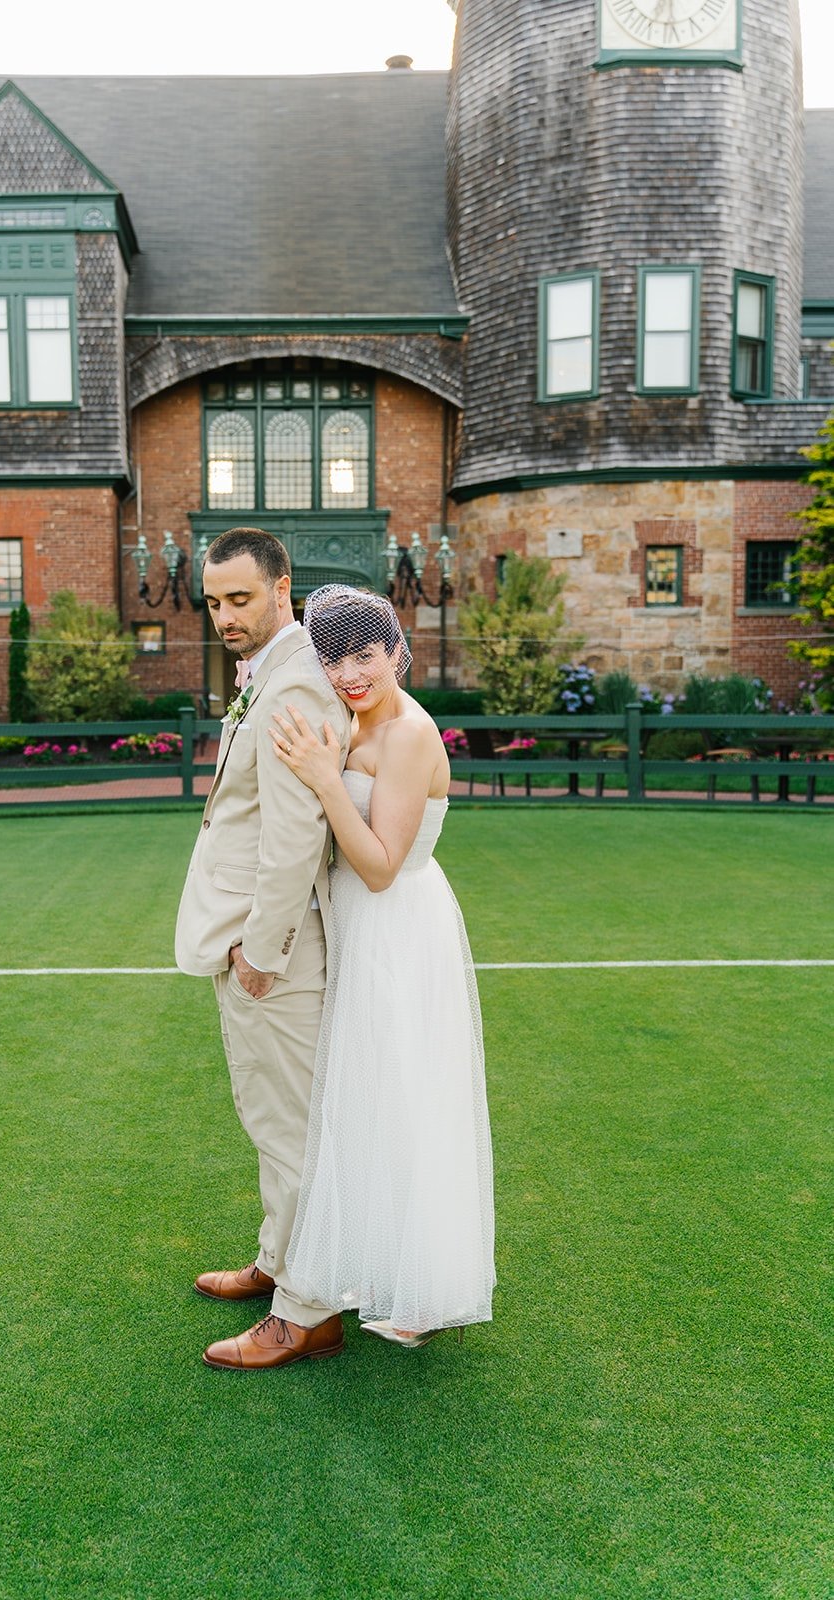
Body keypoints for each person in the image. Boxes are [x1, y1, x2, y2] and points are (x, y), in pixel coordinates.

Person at [270, 584, 495, 1347]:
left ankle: (423, 1288)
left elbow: (378, 866)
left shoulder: (404, 735)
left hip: (397, 927)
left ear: (396, 647)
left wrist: (326, 778)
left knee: (403, 1095)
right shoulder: (354, 718)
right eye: (332, 660)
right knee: (364, 1097)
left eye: (363, 654)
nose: (348, 674)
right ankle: (371, 1260)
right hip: (362, 930)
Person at [174, 528, 352, 1371]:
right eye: (213, 601)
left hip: (272, 951)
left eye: (240, 598)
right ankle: (279, 1262)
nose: (224, 616)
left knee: (290, 1130)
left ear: (284, 588)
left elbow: (293, 835)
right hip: (251, 939)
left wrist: (262, 948)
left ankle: (307, 1312)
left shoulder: (297, 684)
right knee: (268, 1115)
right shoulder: (271, 675)